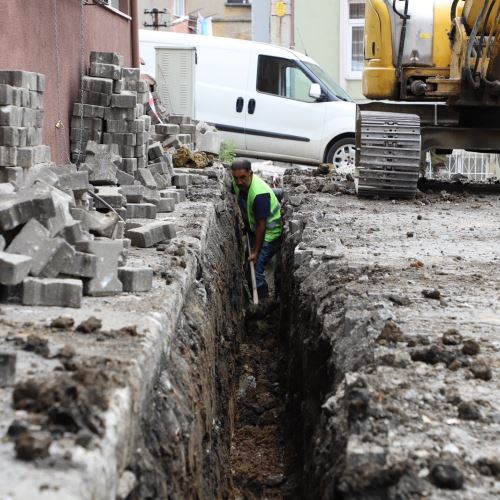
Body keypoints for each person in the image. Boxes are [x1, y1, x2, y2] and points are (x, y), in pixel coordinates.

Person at [231, 159, 282, 300]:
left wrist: (254, 251)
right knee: (249, 268)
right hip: (256, 229)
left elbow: (262, 226)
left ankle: (263, 304)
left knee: (256, 269)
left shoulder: (259, 195)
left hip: (271, 234)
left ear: (250, 174)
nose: (239, 182)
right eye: (236, 178)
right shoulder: (238, 185)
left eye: (243, 178)